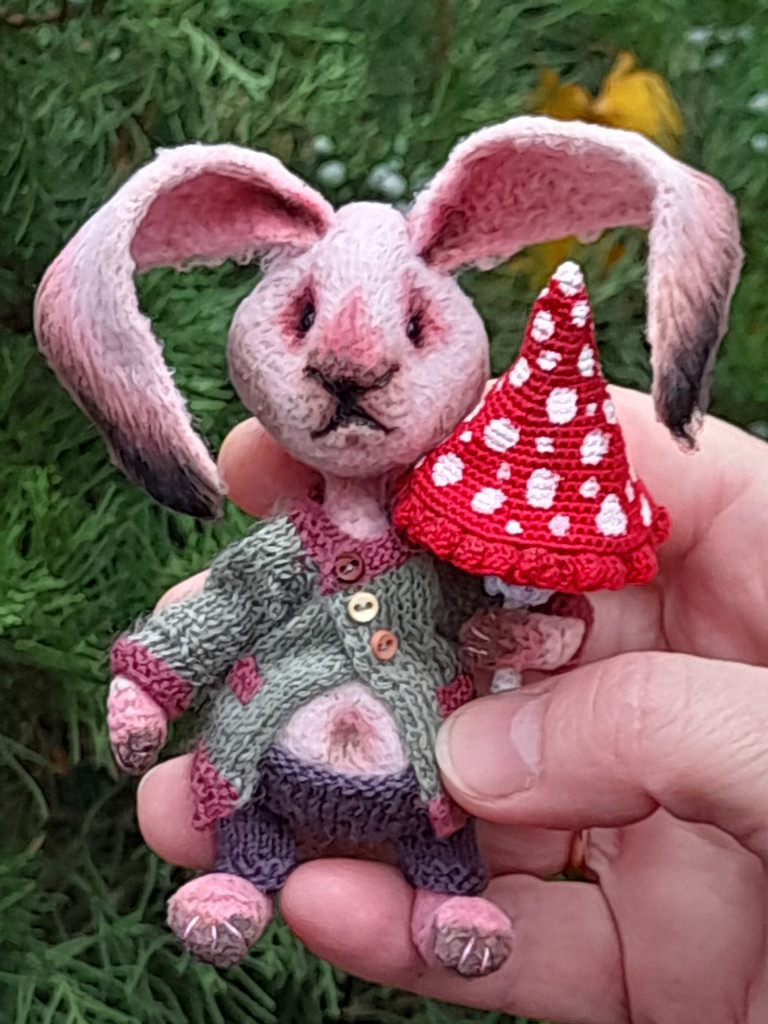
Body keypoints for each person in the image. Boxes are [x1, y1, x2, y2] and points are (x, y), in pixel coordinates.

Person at [136, 385, 768, 1024]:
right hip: (266, 751)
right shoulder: (289, 546)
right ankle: (242, 877)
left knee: (443, 824)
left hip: (422, 773)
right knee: (245, 806)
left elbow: (500, 607)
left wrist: (548, 635)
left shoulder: (446, 550)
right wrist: (151, 680)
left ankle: (444, 899)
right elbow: (227, 606)